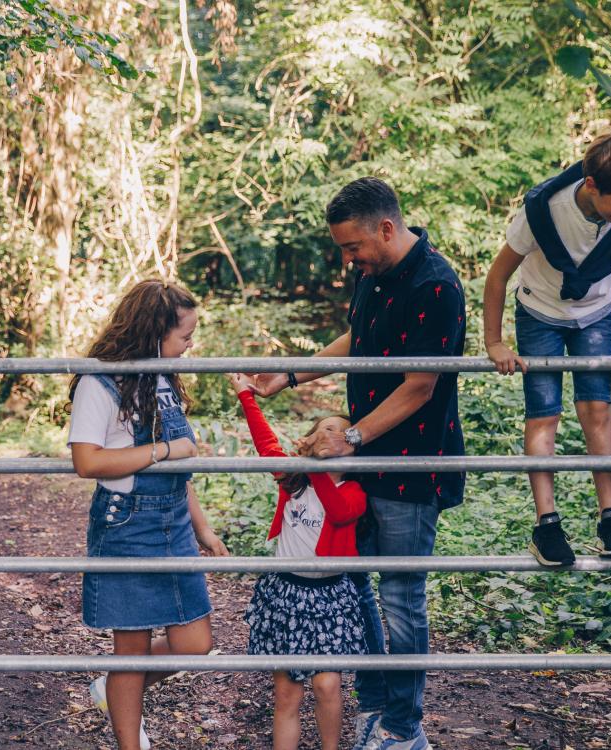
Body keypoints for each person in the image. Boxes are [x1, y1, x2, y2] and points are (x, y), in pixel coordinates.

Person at [249, 177, 465, 750]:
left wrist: (351, 437)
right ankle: (375, 704)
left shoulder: (436, 286)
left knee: (401, 598)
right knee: (356, 585)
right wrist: (289, 374)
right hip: (362, 463)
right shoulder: (373, 275)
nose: (349, 260)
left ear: (386, 229)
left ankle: (403, 728)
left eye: (352, 247)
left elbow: (420, 385)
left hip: (411, 466)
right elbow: (358, 337)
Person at [482, 129, 611, 567]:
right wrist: (495, 342)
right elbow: (498, 276)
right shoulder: (543, 210)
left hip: (594, 312)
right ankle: (547, 524)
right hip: (539, 312)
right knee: (544, 415)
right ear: (591, 185)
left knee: (597, 409)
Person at [67, 279, 230, 750]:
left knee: (194, 644)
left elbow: (180, 470)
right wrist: (163, 450)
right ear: (154, 333)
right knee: (132, 649)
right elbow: (88, 461)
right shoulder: (101, 382)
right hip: (128, 523)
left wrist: (202, 528)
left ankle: (114, 685)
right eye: (185, 336)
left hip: (174, 520)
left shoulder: (162, 378)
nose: (190, 344)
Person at [229, 373, 368, 750]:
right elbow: (266, 444)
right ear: (311, 439)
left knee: (327, 685)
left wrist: (316, 467)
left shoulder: (354, 493)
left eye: (341, 431)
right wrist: (246, 396)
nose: (332, 434)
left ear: (354, 449)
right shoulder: (294, 479)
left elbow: (338, 512)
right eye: (325, 428)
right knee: (287, 694)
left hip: (329, 598)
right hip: (286, 594)